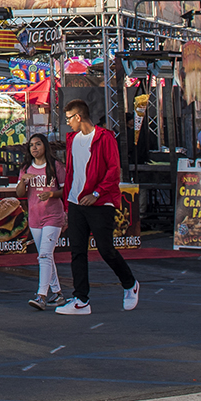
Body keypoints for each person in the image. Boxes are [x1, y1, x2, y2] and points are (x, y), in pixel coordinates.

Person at [53, 100, 138, 316]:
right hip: (75, 202)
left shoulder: (104, 137)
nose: (67, 122)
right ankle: (81, 299)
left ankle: (130, 283)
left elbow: (113, 170)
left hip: (100, 202)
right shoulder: (72, 139)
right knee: (77, 251)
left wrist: (97, 193)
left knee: (105, 249)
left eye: (69, 118)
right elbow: (73, 171)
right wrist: (67, 204)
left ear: (78, 117)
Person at [18, 132, 67, 309]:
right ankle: (58, 293)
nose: (34, 148)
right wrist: (22, 181)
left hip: (53, 216)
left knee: (44, 255)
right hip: (34, 217)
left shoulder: (55, 166)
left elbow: (65, 190)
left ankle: (41, 295)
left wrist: (52, 194)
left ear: (45, 146)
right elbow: (20, 194)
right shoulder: (26, 168)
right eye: (31, 145)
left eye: (38, 144)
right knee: (46, 256)